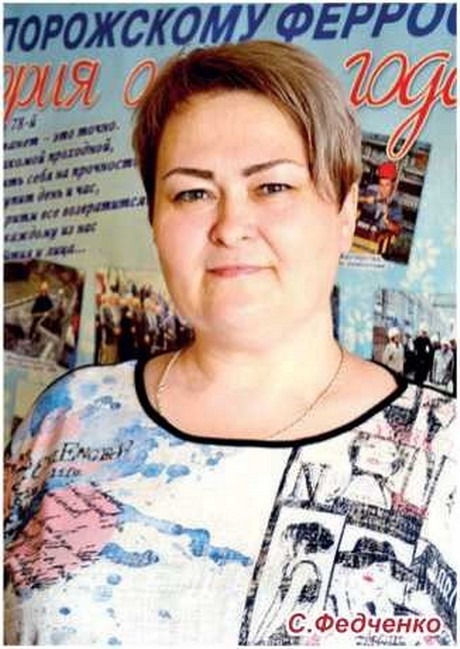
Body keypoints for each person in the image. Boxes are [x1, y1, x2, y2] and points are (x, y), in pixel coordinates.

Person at [5, 41, 456, 646]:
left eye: (272, 187)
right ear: (155, 220)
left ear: (347, 211)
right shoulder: (66, 418)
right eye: (192, 193)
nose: (230, 226)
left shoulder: (447, 448)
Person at [359, 161, 403, 257]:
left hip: (375, 241)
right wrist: (365, 199)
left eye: (387, 185)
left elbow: (398, 230)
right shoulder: (371, 189)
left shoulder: (395, 202)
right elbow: (352, 198)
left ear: (393, 185)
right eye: (381, 185)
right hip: (360, 231)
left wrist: (387, 221)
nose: (383, 189)